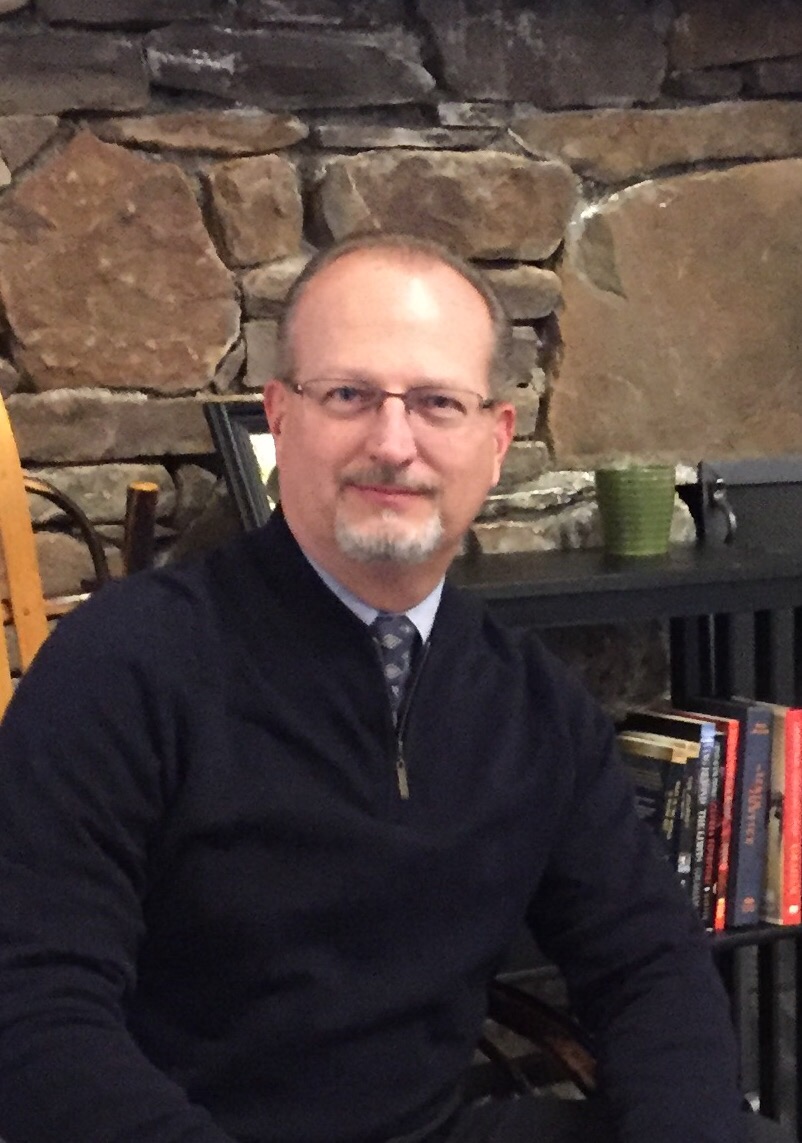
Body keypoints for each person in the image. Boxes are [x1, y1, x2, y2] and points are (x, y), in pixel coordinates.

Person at [0, 233, 781, 1143]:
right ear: (280, 417)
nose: (392, 442)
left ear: (495, 441)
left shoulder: (532, 705)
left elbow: (647, 964)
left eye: (438, 402)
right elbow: (35, 1012)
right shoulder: (124, 663)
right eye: (349, 395)